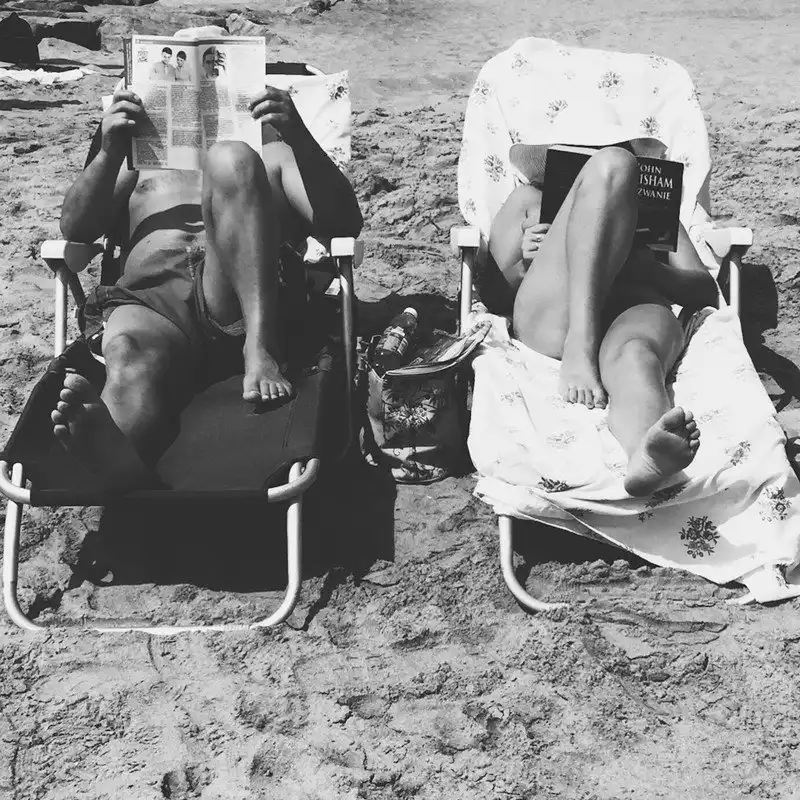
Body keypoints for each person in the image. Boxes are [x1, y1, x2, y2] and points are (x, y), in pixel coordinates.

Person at [52, 85, 363, 492]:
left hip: (237, 295)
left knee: (231, 158)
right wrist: (109, 153)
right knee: (128, 355)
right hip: (153, 299)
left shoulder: (273, 153)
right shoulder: (136, 159)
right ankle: (118, 452)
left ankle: (260, 346)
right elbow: (76, 229)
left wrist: (299, 135)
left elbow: (343, 225)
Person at [488, 144, 719, 496]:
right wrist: (523, 263)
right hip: (558, 314)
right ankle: (581, 343)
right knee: (613, 164)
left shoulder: (652, 202)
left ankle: (646, 451)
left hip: (631, 308)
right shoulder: (527, 201)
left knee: (636, 357)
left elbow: (704, 291)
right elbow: (492, 295)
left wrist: (651, 269)